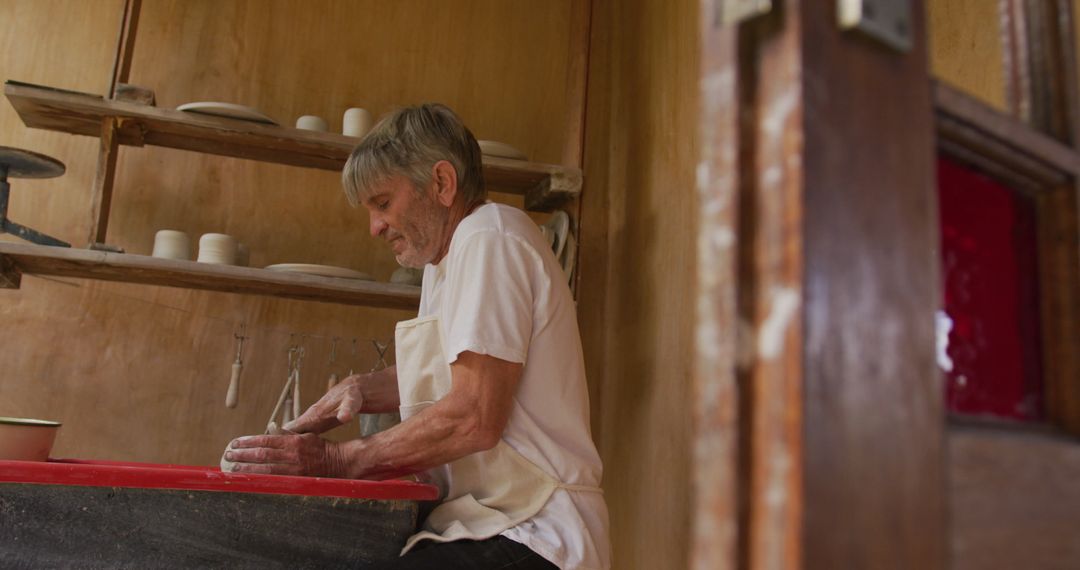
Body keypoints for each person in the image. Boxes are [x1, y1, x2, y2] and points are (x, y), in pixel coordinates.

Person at [223, 103, 611, 570]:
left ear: (442, 184)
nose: (375, 227)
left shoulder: (491, 238)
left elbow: (474, 415)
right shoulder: (444, 263)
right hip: (486, 520)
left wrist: (340, 460)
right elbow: (453, 370)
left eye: (383, 204)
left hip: (539, 530)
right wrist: (361, 389)